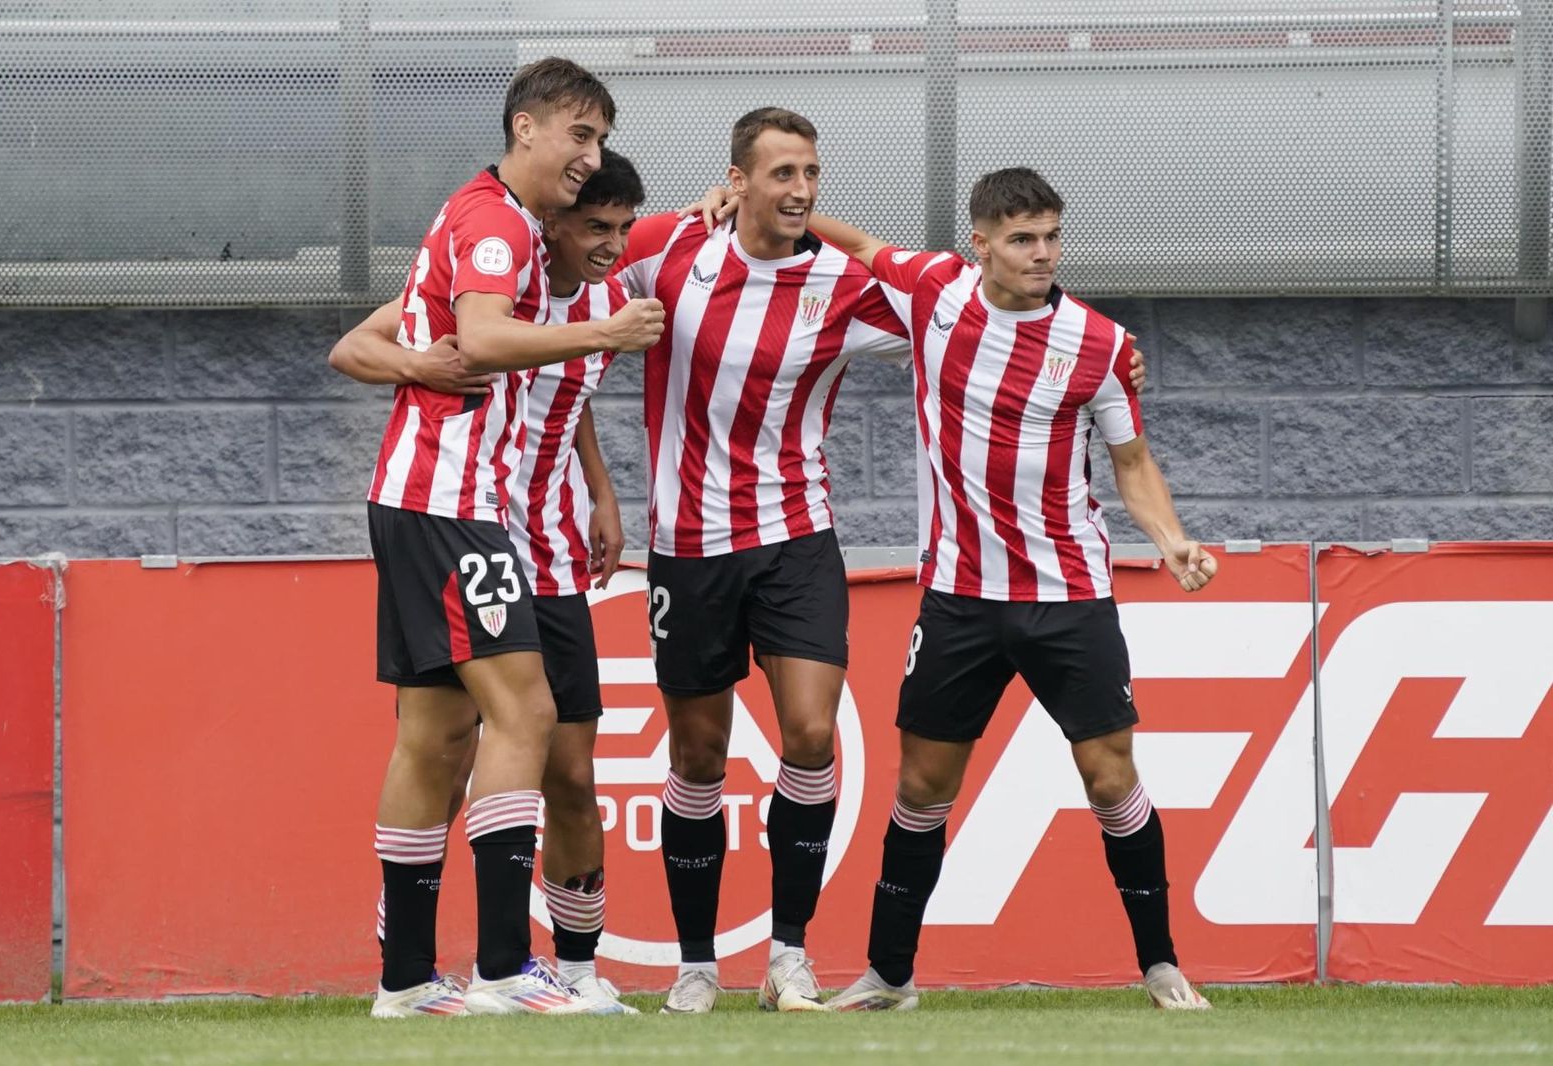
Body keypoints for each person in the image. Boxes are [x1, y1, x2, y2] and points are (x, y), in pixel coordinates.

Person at [789, 168, 1214, 1011]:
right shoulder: (934, 292)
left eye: (1052, 237)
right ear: (978, 243)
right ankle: (889, 976)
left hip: (1069, 594)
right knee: (921, 788)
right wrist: (778, 209)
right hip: (959, 597)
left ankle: (1163, 965)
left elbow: (1132, 461)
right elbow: (863, 247)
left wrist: (1171, 540)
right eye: (1022, 239)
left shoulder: (1098, 343)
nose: (1042, 254)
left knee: (1109, 776)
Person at [346, 57, 663, 1018]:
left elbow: (448, 334)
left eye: (599, 141)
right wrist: (604, 338)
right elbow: (481, 338)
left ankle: (403, 983)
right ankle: (501, 967)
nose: (588, 157)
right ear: (525, 127)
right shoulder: (495, 226)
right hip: (452, 505)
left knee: (436, 735)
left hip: (432, 503)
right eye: (578, 136)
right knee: (525, 717)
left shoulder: (509, 223)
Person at [607, 107, 925, 1014]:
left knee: (813, 735)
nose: (801, 190)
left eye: (811, 173)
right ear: (737, 179)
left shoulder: (842, 282)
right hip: (690, 547)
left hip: (797, 537)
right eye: (782, 173)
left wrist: (1107, 356)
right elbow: (575, 255)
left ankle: (789, 954)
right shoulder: (675, 251)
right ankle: (697, 964)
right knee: (700, 755)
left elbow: (962, 312)